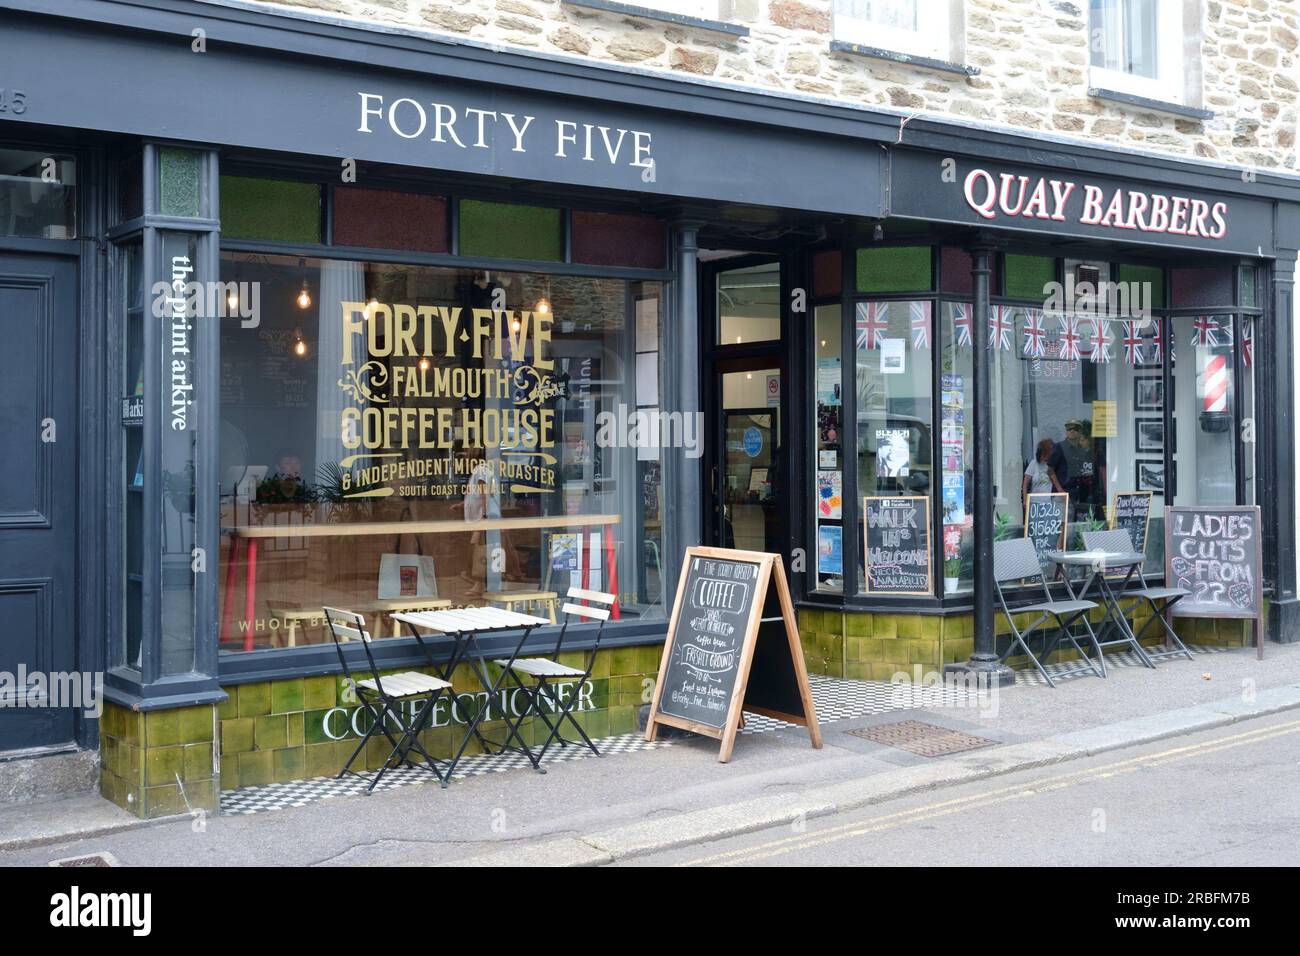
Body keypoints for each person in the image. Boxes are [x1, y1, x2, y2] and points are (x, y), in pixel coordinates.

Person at [1023, 437, 1065, 503]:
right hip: (1034, 502)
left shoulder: (1053, 465)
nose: (1044, 457)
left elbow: (1057, 483)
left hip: (1049, 502)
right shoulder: (1033, 464)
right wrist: (1025, 498)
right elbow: (1025, 484)